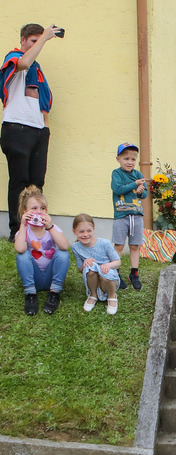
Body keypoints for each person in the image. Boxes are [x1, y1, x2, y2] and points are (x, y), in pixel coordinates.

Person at [2, 23, 59, 242]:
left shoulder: (38, 69)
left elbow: (44, 104)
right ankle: (17, 230)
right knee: (19, 180)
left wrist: (45, 130)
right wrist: (45, 37)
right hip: (16, 127)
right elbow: (23, 62)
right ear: (23, 40)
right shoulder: (15, 57)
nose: (38, 44)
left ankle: (35, 226)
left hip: (38, 130)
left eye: (39, 40)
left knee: (36, 181)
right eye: (34, 41)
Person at [13, 185, 69, 315]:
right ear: (25, 212)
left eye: (42, 208)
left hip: (51, 276)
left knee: (63, 254)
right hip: (35, 277)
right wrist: (22, 224)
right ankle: (30, 294)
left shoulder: (52, 228)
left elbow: (65, 246)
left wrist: (50, 227)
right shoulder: (24, 230)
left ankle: (54, 293)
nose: (39, 211)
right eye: (34, 208)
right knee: (22, 256)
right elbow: (20, 248)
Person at [110, 142, 147, 290]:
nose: (130, 162)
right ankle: (115, 273)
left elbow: (144, 193)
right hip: (122, 215)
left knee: (135, 245)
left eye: (133, 159)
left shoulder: (138, 174)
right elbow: (117, 189)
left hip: (137, 215)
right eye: (126, 158)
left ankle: (134, 273)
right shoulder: (116, 173)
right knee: (118, 245)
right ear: (118, 159)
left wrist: (140, 190)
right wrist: (134, 185)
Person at [71, 213, 120, 315]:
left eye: (89, 231)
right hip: (93, 280)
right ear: (74, 232)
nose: (85, 234)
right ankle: (93, 295)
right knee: (90, 267)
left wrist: (108, 266)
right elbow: (80, 269)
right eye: (81, 231)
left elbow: (118, 262)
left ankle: (112, 296)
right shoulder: (76, 247)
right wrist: (84, 264)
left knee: (104, 273)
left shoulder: (104, 243)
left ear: (93, 229)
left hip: (108, 277)